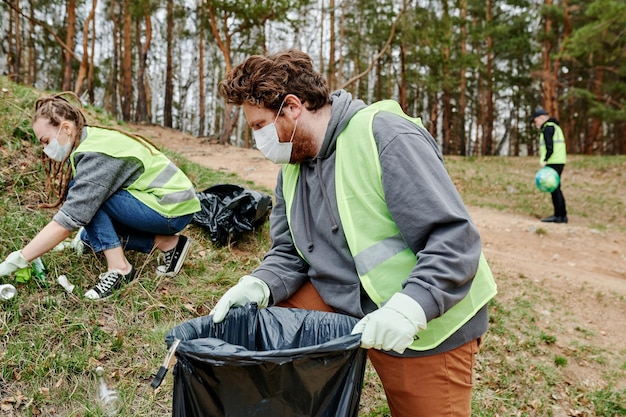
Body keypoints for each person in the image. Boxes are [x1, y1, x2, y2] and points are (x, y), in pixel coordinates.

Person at [211, 49, 497, 417]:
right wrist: (260, 284)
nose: (257, 140)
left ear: (293, 108)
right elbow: (288, 252)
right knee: (272, 324)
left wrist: (410, 309)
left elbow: (454, 241)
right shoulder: (291, 168)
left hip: (427, 317)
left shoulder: (384, 135)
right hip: (345, 298)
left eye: (259, 126)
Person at [0, 92, 200, 300]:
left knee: (88, 203)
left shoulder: (95, 155)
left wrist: (20, 258)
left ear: (66, 128)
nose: (45, 149)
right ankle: (169, 244)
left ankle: (120, 269)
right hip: (168, 205)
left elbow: (70, 219)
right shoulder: (90, 140)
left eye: (46, 140)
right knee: (89, 237)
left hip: (169, 209)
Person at [530, 107, 568, 223]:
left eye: (535, 121)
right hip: (559, 160)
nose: (535, 124)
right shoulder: (555, 126)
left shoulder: (548, 128)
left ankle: (558, 216)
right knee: (556, 188)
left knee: (554, 189)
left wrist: (545, 160)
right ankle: (562, 215)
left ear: (541, 118)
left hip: (553, 161)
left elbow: (549, 146)